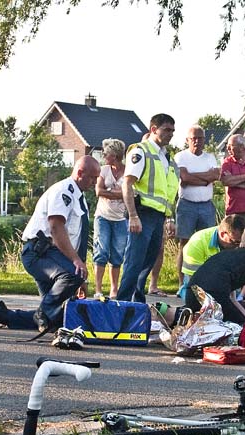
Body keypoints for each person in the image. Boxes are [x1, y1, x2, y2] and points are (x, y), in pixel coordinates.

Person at [0, 157, 100, 331]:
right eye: (93, 178)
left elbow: (75, 238)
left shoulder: (78, 197)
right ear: (80, 173)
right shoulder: (64, 191)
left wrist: (78, 269)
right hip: (39, 253)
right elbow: (56, 227)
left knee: (56, 319)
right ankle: (42, 313)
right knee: (72, 277)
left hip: (52, 256)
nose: (95, 183)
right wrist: (77, 265)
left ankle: (4, 315)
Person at [116, 113, 179, 303]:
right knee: (134, 262)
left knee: (148, 261)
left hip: (158, 216)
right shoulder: (141, 151)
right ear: (153, 129)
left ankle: (136, 300)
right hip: (142, 214)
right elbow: (127, 184)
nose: (171, 134)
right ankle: (123, 304)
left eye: (173, 131)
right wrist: (133, 216)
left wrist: (169, 219)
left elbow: (167, 191)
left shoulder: (165, 157)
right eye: (167, 130)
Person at [160, 124, 221, 295]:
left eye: (200, 138)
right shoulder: (181, 157)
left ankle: (205, 282)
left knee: (209, 244)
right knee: (184, 244)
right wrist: (205, 178)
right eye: (193, 138)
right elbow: (184, 178)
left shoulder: (210, 157)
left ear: (204, 140)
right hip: (187, 205)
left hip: (206, 205)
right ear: (187, 140)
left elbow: (215, 176)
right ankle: (182, 283)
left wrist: (199, 177)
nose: (197, 141)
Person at [185, 226, 245, 325]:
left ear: (242, 243)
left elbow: (232, 299)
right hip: (214, 297)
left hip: (191, 293)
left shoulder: (226, 255)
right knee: (239, 330)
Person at [179, 214, 245, 298]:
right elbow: (193, 282)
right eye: (235, 242)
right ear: (222, 234)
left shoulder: (238, 244)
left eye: (240, 243)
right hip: (200, 285)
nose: (238, 246)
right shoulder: (197, 243)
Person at [92, 138, 127, 299]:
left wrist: (110, 192)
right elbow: (98, 191)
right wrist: (119, 194)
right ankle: (98, 288)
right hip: (103, 216)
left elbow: (131, 194)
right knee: (101, 251)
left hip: (120, 218)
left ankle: (114, 288)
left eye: (106, 153)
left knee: (117, 254)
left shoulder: (128, 172)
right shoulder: (104, 170)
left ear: (115, 155)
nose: (104, 156)